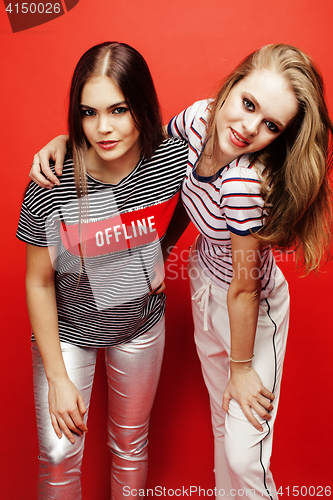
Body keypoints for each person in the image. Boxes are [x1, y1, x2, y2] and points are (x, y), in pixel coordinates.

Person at [28, 44, 333, 500]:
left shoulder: (232, 179)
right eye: (248, 104)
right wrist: (65, 142)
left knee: (239, 453)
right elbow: (150, 156)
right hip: (191, 288)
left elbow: (245, 288)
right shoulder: (192, 126)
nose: (249, 128)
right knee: (215, 428)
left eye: (271, 124)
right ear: (230, 88)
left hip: (238, 302)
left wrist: (243, 366)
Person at [17, 41, 189, 500]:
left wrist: (159, 254)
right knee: (58, 456)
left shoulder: (174, 161)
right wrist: (56, 377)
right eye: (89, 113)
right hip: (69, 334)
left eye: (119, 109)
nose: (104, 129)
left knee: (130, 447)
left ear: (143, 106)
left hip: (140, 328)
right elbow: (37, 281)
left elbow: (191, 205)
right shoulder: (52, 180)